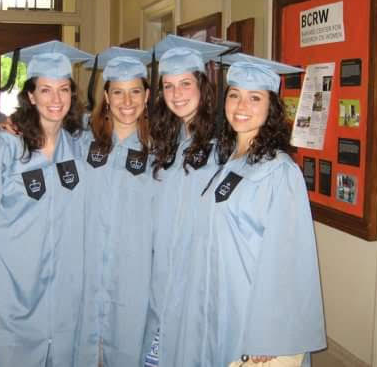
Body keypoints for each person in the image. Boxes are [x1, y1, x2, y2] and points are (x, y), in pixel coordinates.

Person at [154, 53, 326, 367]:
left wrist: (270, 333)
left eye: (254, 98)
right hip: (220, 299)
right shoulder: (231, 160)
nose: (241, 106)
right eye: (234, 96)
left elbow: (288, 260)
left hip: (250, 308)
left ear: (271, 108)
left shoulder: (279, 172)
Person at [0, 40, 94, 366]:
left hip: (64, 296)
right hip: (9, 295)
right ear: (30, 95)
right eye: (45, 90)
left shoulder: (81, 148)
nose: (56, 99)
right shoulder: (2, 147)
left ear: (73, 94)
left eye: (64, 89)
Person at [142, 35, 229, 366]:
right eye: (168, 86)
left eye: (185, 84)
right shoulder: (164, 140)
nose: (176, 94)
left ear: (202, 86)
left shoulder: (225, 143)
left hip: (200, 274)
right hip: (163, 270)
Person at [75, 47, 154, 367]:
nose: (127, 101)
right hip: (86, 267)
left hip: (136, 274)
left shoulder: (163, 149)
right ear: (105, 96)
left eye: (135, 91)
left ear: (148, 96)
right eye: (118, 92)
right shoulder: (80, 141)